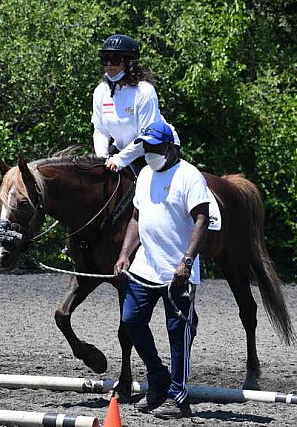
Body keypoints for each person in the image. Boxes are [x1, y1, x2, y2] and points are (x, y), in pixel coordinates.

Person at [114, 120, 209, 419]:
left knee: (178, 330)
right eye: (146, 147)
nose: (149, 153)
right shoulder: (143, 174)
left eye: (155, 147)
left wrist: (187, 261)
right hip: (146, 266)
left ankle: (177, 396)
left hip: (177, 271)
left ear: (170, 148)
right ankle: (158, 377)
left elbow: (202, 219)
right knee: (131, 319)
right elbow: (136, 218)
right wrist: (125, 254)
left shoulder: (189, 176)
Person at [92, 34, 180, 173]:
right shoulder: (100, 91)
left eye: (114, 59)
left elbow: (147, 137)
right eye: (105, 59)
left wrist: (119, 160)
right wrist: (102, 159)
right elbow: (100, 130)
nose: (109, 64)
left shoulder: (144, 91)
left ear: (129, 62)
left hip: (156, 151)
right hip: (122, 151)